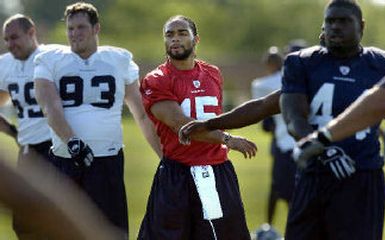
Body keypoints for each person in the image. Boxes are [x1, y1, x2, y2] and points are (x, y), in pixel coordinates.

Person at [33, 2, 161, 238]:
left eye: (81, 27)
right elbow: (50, 107)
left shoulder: (119, 59)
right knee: (63, 230)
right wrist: (73, 142)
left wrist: (163, 157)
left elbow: (141, 113)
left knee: (112, 232)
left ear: (96, 28)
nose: (74, 33)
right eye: (70, 28)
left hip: (107, 160)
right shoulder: (49, 59)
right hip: (65, 159)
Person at [280, 0, 385, 239]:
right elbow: (293, 118)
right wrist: (323, 149)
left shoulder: (384, 64)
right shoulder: (301, 62)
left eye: (343, 21)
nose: (335, 27)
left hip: (362, 174)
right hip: (314, 173)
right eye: (330, 21)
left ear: (361, 26)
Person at [138, 15, 257, 240]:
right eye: (169, 34)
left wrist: (222, 141)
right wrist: (228, 140)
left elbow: (215, 117)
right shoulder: (157, 79)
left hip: (218, 170)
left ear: (196, 39)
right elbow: (181, 124)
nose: (175, 39)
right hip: (178, 173)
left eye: (182, 33)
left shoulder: (213, 73)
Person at [0, 14, 63, 240]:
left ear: (31, 32)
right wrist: (11, 131)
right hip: (28, 149)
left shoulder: (55, 56)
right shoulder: (5, 64)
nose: (10, 44)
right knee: (23, 222)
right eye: (6, 39)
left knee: (59, 216)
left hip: (57, 146)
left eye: (15, 37)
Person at [251, 46, 296, 224]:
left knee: (283, 190)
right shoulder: (297, 77)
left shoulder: (262, 84)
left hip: (285, 143)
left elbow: (263, 117)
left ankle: (276, 227)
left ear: (269, 64)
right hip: (305, 140)